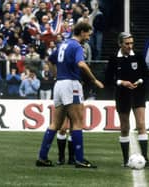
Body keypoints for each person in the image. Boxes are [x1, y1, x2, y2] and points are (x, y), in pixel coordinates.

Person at [35, 22, 104, 168]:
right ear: (82, 32)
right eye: (88, 34)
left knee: (56, 123)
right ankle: (79, 159)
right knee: (78, 121)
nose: (89, 37)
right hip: (71, 83)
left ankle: (42, 157)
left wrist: (56, 75)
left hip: (59, 84)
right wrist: (94, 80)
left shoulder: (63, 43)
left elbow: (50, 60)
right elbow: (81, 64)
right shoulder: (77, 46)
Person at [105, 32, 149, 167]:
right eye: (127, 43)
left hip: (138, 93)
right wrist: (121, 82)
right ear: (120, 44)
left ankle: (145, 158)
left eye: (131, 43)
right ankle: (126, 159)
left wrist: (140, 80)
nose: (130, 46)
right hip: (122, 95)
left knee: (141, 125)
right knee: (125, 127)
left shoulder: (138, 56)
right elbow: (108, 79)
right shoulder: (114, 58)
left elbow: (146, 74)